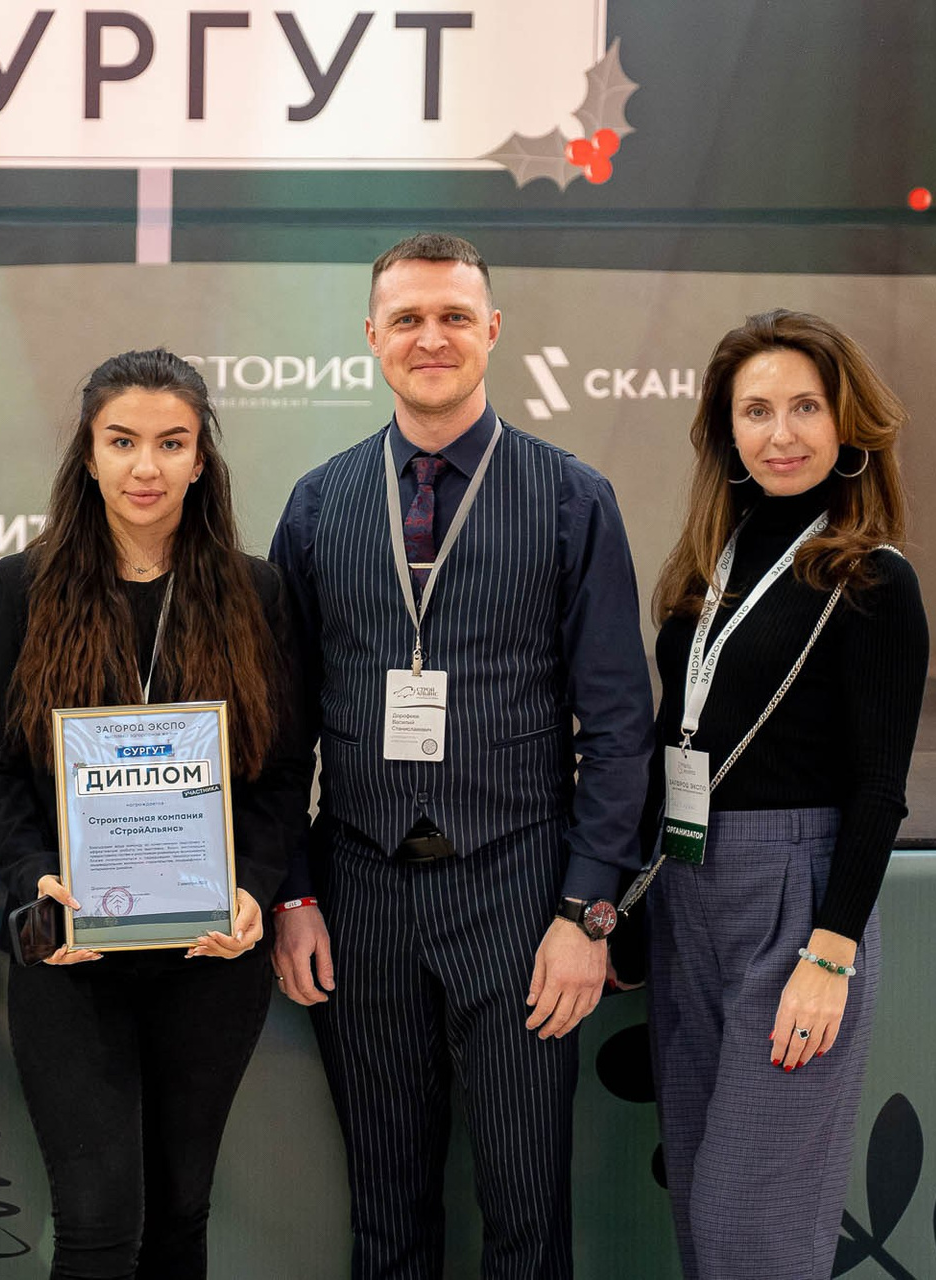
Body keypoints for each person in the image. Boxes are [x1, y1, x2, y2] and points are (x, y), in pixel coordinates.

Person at [268, 233, 653, 1279]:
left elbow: (620, 728)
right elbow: (279, 729)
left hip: (522, 896)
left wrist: (587, 914)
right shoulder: (318, 503)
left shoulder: (571, 496)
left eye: (452, 317)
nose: (429, 338)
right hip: (360, 893)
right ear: (372, 337)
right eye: (407, 319)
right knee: (386, 1217)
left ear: (492, 329)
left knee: (526, 1213)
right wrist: (293, 890)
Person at [0, 348, 311, 1280]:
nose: (145, 467)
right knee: (95, 1225)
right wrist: (36, 878)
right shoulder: (24, 587)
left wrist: (252, 887)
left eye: (171, 443)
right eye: (122, 442)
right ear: (88, 455)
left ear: (201, 460)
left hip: (210, 956)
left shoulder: (256, 593)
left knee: (179, 1217)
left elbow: (284, 774)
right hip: (71, 952)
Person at [643, 310, 927, 1279]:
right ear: (727, 432)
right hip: (686, 893)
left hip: (794, 905)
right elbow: (671, 741)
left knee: (751, 1228)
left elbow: (880, 787)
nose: (782, 433)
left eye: (806, 406)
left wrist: (830, 953)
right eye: (756, 410)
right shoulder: (704, 572)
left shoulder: (872, 579)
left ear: (848, 423)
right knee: (700, 1214)